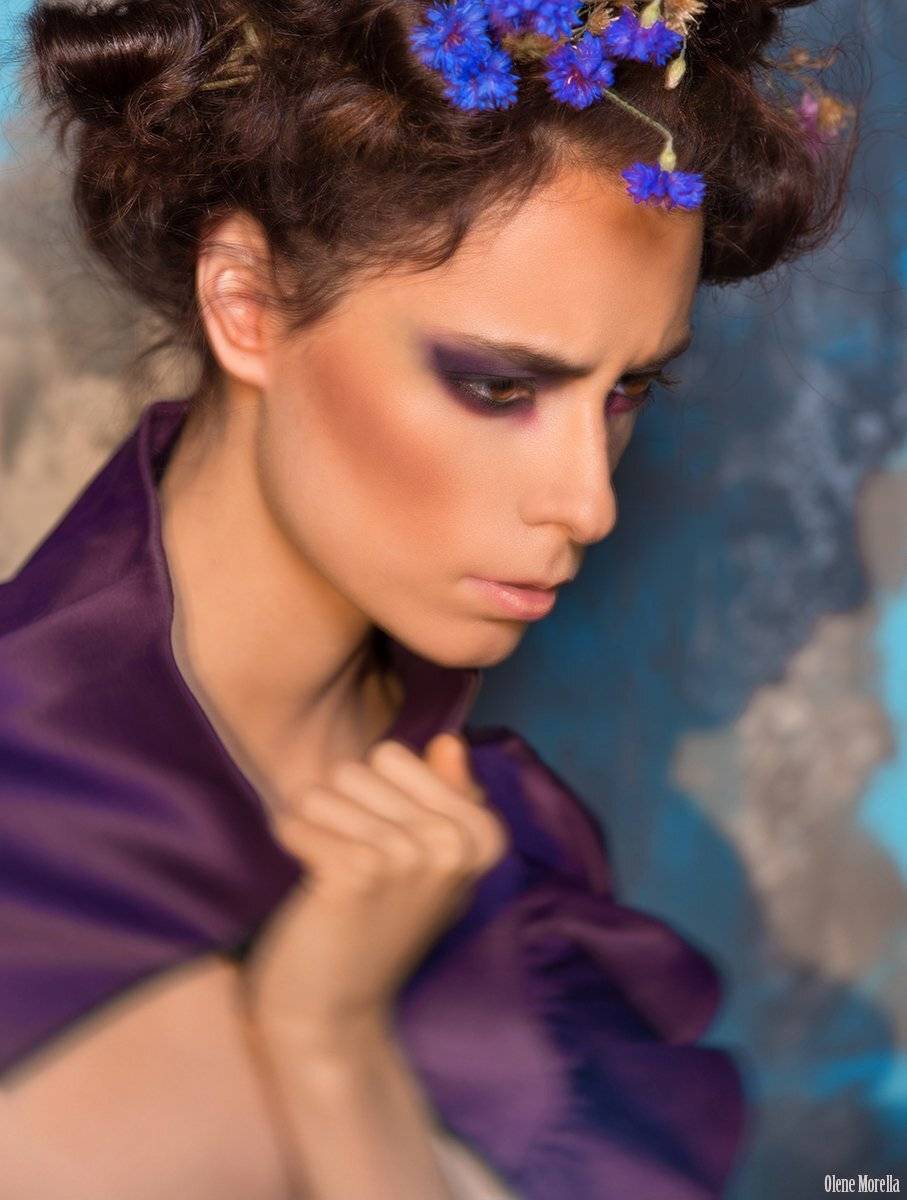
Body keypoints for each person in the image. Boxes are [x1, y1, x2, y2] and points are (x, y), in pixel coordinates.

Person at [0, 0, 857, 1197]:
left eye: (625, 392)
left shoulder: (483, 810)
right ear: (245, 303)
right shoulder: (34, 853)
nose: (587, 505)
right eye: (500, 388)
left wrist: (333, 1042)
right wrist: (328, 1044)